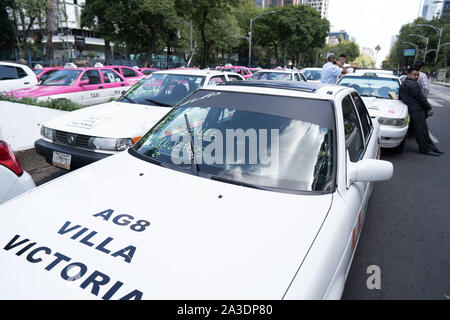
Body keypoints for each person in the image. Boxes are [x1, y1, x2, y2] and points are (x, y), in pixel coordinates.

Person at [399, 66, 443, 156]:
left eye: (418, 75)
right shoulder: (412, 84)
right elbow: (421, 98)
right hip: (416, 110)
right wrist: (429, 108)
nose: (417, 77)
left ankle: (431, 147)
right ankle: (425, 149)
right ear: (408, 74)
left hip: (414, 109)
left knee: (423, 130)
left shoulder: (406, 83)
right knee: (421, 131)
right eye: (414, 75)